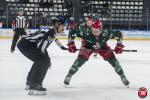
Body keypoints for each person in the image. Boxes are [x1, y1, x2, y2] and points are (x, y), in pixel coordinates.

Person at [64, 19, 129, 87]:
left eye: (97, 31)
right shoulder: (85, 32)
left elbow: (118, 33)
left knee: (112, 59)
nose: (95, 33)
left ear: (101, 29)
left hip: (102, 47)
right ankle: (69, 75)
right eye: (93, 31)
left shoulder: (106, 33)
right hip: (87, 46)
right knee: (80, 60)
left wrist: (119, 45)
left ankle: (122, 76)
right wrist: (71, 44)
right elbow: (72, 32)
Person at [17, 16, 66, 95]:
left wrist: (63, 48)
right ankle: (34, 85)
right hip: (26, 44)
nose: (64, 28)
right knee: (44, 60)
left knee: (40, 59)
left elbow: (43, 46)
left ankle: (30, 82)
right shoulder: (51, 32)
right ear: (57, 24)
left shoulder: (51, 30)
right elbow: (41, 47)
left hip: (25, 43)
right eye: (63, 26)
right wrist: (47, 60)